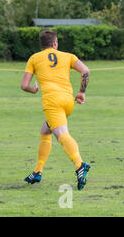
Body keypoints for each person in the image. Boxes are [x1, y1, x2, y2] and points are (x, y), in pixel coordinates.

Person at [21, 30, 91, 190]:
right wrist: (82, 92)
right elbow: (86, 71)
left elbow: (24, 85)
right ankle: (37, 171)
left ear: (42, 44)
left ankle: (80, 165)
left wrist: (33, 90)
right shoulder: (68, 56)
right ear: (55, 43)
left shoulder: (34, 58)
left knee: (62, 135)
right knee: (45, 131)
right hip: (68, 101)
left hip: (52, 102)